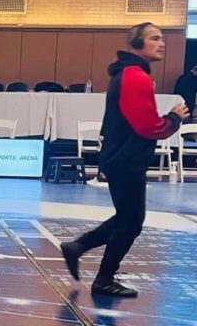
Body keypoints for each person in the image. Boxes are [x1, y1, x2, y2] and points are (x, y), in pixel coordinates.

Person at [60, 22, 189, 297]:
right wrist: (174, 118)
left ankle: (78, 248)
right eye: (154, 38)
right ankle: (102, 279)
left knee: (128, 219)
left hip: (121, 156)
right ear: (138, 44)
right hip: (126, 158)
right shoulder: (135, 76)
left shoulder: (130, 73)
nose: (162, 43)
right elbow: (148, 126)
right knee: (131, 222)